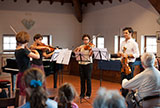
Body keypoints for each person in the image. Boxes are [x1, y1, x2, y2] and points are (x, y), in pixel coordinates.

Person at [15, 31, 40, 105]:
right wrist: (36, 51)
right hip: (26, 75)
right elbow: (37, 57)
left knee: (22, 95)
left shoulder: (17, 50)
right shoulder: (24, 51)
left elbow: (26, 53)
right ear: (26, 41)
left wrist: (27, 49)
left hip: (21, 73)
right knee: (26, 95)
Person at [118, 27, 139, 97]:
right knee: (122, 79)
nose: (124, 34)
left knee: (129, 80)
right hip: (123, 63)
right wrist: (119, 53)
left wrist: (128, 55)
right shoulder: (122, 42)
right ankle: (123, 95)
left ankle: (129, 96)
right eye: (124, 33)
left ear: (130, 33)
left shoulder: (134, 43)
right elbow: (121, 51)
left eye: (126, 33)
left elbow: (137, 54)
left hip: (130, 63)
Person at [74, 34, 95, 99]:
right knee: (82, 79)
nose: (85, 41)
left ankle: (88, 94)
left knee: (88, 79)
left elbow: (90, 55)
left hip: (88, 64)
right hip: (81, 64)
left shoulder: (91, 46)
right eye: (84, 40)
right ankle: (82, 93)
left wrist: (91, 50)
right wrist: (77, 49)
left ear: (89, 40)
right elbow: (75, 52)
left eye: (87, 40)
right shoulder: (81, 46)